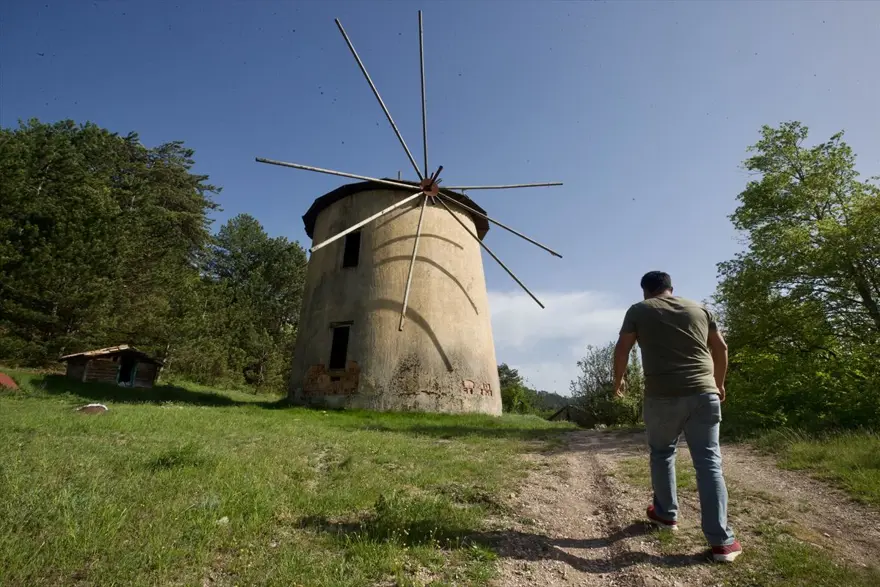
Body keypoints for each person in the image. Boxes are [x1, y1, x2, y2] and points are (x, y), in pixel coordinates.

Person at [613, 271, 742, 563]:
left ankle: (665, 514)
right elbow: (720, 348)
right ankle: (722, 543)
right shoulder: (700, 309)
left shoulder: (639, 310)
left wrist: (618, 381)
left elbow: (623, 348)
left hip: (661, 395)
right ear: (672, 289)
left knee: (661, 452)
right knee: (709, 462)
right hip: (704, 394)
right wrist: (719, 383)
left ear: (646, 291)